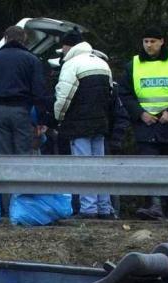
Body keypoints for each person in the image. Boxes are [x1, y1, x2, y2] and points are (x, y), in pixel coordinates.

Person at [117, 27, 168, 219]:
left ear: (162, 41)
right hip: (146, 123)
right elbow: (125, 94)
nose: (149, 45)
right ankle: (154, 206)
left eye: (152, 41)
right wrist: (140, 114)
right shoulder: (133, 64)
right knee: (149, 165)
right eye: (146, 41)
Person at [54, 29, 114, 219]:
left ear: (68, 46)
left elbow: (64, 97)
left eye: (63, 46)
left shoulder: (72, 64)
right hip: (100, 122)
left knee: (83, 166)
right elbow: (111, 95)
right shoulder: (101, 62)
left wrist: (58, 117)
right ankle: (105, 207)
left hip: (78, 124)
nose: (62, 51)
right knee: (101, 166)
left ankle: (88, 209)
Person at [0, 26, 49, 155]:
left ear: (5, 39)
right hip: (22, 111)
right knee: (24, 153)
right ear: (24, 39)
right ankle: (22, 176)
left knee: (4, 154)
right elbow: (39, 92)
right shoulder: (32, 60)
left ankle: (5, 175)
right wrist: (41, 120)